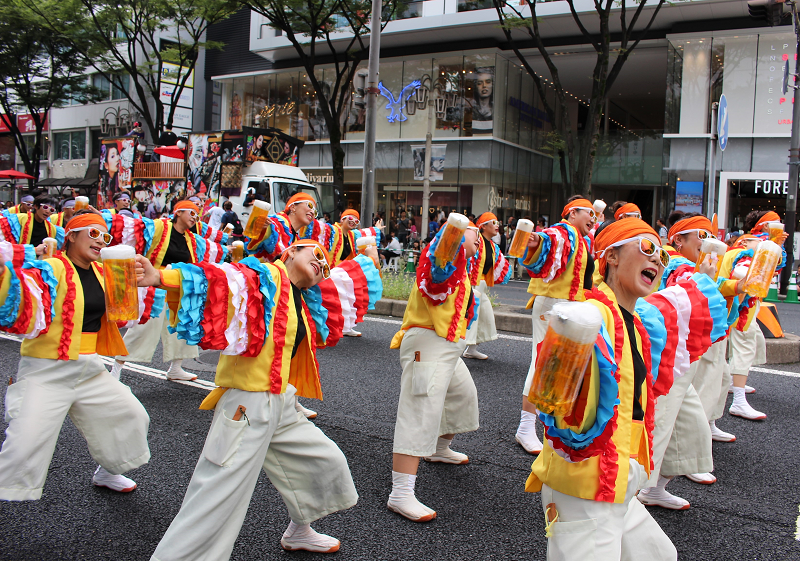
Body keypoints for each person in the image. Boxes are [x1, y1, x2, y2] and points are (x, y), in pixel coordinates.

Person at [142, 239, 382, 560]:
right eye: (317, 255)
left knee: (325, 463)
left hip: (283, 401)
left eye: (325, 266)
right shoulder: (262, 276)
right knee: (217, 497)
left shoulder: (304, 299)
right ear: (289, 253)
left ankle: (299, 530)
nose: (323, 265)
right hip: (247, 404)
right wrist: (161, 278)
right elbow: (221, 282)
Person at [523, 217, 727, 560]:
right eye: (647, 248)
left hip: (619, 477)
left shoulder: (635, 321)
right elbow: (550, 400)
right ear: (611, 257)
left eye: (661, 254)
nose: (657, 260)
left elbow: (667, 308)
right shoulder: (587, 316)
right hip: (586, 485)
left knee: (659, 555)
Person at [0, 212, 162, 500]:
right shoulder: (52, 267)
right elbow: (26, 291)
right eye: (93, 233)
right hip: (47, 369)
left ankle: (108, 470)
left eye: (106, 236)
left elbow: (126, 311)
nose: (101, 241)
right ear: (71, 236)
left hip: (89, 368)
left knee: (130, 415)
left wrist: (145, 284)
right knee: (25, 443)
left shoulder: (104, 272)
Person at [637, 212, 742, 510]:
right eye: (702, 235)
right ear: (678, 240)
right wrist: (717, 282)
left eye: (711, 236)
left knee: (691, 428)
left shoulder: (693, 268)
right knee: (657, 429)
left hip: (680, 356)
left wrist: (735, 286)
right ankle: (630, 498)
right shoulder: (672, 263)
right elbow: (686, 286)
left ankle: (654, 489)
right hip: (665, 357)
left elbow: (708, 287)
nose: (708, 242)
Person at [386, 217, 482, 522]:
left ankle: (439, 448)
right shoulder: (439, 256)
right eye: (473, 232)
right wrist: (449, 239)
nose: (478, 237)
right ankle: (400, 492)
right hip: (426, 344)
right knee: (419, 411)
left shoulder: (461, 266)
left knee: (462, 395)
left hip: (447, 346)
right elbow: (436, 279)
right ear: (454, 234)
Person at [109, 201, 227, 382]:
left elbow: (209, 251)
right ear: (178, 213)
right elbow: (130, 227)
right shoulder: (158, 227)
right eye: (191, 213)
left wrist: (229, 249)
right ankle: (116, 369)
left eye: (197, 215)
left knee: (181, 326)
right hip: (153, 285)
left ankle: (175, 368)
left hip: (176, 286)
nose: (195, 218)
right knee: (143, 328)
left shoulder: (191, 239)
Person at [514, 196, 597, 455]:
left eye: (595, 215)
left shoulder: (580, 239)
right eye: (589, 214)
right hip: (553, 307)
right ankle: (526, 427)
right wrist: (538, 241)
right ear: (572, 213)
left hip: (564, 307)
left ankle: (546, 429)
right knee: (541, 364)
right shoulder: (564, 231)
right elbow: (550, 239)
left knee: (556, 368)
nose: (593, 220)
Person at [721, 210, 787, 421]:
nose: (780, 225)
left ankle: (733, 382)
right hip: (741, 302)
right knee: (745, 344)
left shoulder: (764, 241)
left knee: (751, 341)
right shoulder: (750, 242)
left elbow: (777, 265)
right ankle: (738, 400)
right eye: (774, 223)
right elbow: (743, 271)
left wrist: (776, 245)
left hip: (747, 301)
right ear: (764, 225)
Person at [463, 212, 511, 360]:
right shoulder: (476, 240)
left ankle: (471, 349)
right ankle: (455, 348)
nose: (497, 226)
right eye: (494, 222)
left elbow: (500, 266)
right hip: (471, 284)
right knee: (471, 317)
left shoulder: (492, 246)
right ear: (483, 226)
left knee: (484, 316)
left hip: (481, 286)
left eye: (497, 223)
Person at [0, 194, 65, 251]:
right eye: (45, 207)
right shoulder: (18, 219)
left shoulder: (52, 228)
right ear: (36, 206)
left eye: (52, 210)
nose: (48, 211)